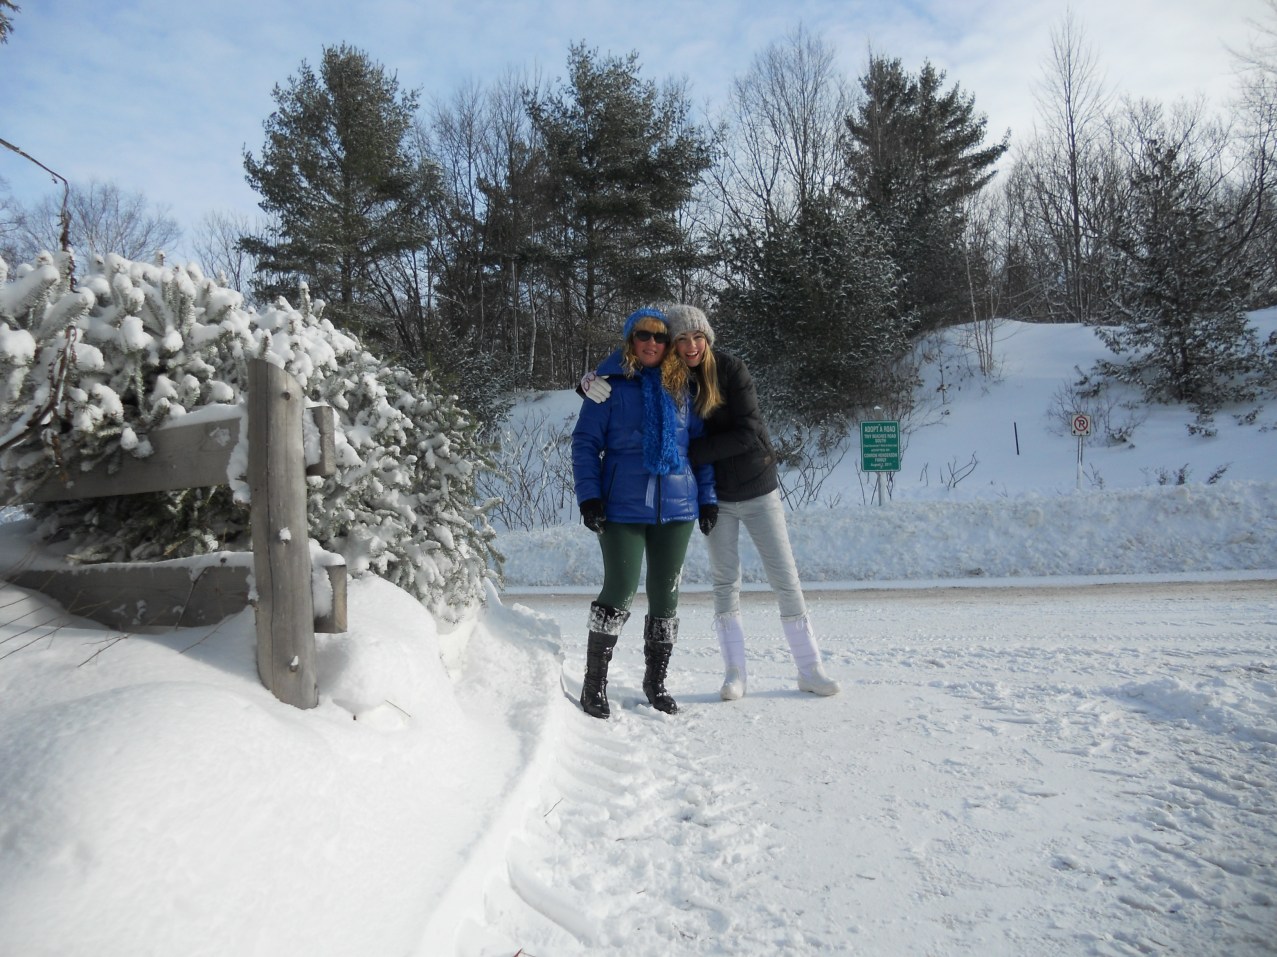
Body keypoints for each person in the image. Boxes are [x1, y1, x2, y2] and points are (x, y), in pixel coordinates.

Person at [581, 304, 839, 700]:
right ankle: (726, 675)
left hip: (742, 490)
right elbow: (594, 427)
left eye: (669, 337)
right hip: (660, 500)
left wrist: (694, 472)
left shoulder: (709, 376)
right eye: (673, 337)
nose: (681, 344)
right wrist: (585, 383)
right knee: (699, 585)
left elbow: (731, 437)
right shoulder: (639, 382)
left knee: (775, 580)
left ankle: (807, 668)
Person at [572, 306, 718, 719]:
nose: (652, 343)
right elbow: (584, 444)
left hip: (678, 507)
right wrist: (590, 497)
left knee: (666, 597)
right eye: (643, 336)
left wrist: (706, 499)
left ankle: (656, 683)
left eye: (659, 337)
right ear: (630, 340)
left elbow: (699, 452)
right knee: (619, 590)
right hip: (621, 506)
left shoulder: (683, 388)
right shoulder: (606, 387)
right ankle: (593, 684)